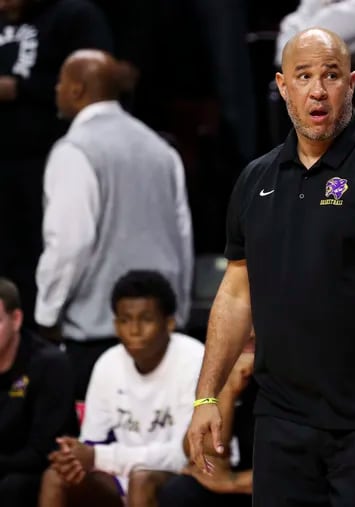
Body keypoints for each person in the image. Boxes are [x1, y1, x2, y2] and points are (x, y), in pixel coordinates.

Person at [186, 28, 355, 507]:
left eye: (330, 76)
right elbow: (236, 293)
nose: (317, 90)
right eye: (304, 76)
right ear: (283, 86)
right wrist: (207, 397)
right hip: (282, 422)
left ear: (350, 84)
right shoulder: (255, 178)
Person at [34, 49, 194, 401]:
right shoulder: (160, 148)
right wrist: (177, 313)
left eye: (61, 82)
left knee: (98, 451)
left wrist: (46, 315)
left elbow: (69, 243)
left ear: (77, 89)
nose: (57, 90)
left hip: (96, 337)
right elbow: (183, 237)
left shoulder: (74, 150)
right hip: (163, 334)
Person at [38, 270, 205, 507]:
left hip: (183, 475)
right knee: (55, 477)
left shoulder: (194, 359)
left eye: (146, 319)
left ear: (169, 323)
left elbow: (187, 454)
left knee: (141, 480)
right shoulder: (108, 363)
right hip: (118, 475)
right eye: (125, 320)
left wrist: (98, 457)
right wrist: (74, 457)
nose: (134, 330)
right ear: (115, 325)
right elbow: (92, 443)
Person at [0, 0, 113, 321]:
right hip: (5, 168)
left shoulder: (73, 15)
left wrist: (20, 88)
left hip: (55, 159)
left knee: (51, 249)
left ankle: (44, 326)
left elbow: (98, 82)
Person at [0, 278, 76, 506]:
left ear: (16, 319)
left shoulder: (50, 364)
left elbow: (45, 450)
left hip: (36, 471)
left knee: (12, 487)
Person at [158, 342, 255, 507]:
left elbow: (305, 470)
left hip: (283, 486)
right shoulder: (224, 367)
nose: (250, 333)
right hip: (246, 484)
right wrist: (227, 389)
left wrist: (232, 482)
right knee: (181, 492)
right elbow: (199, 451)